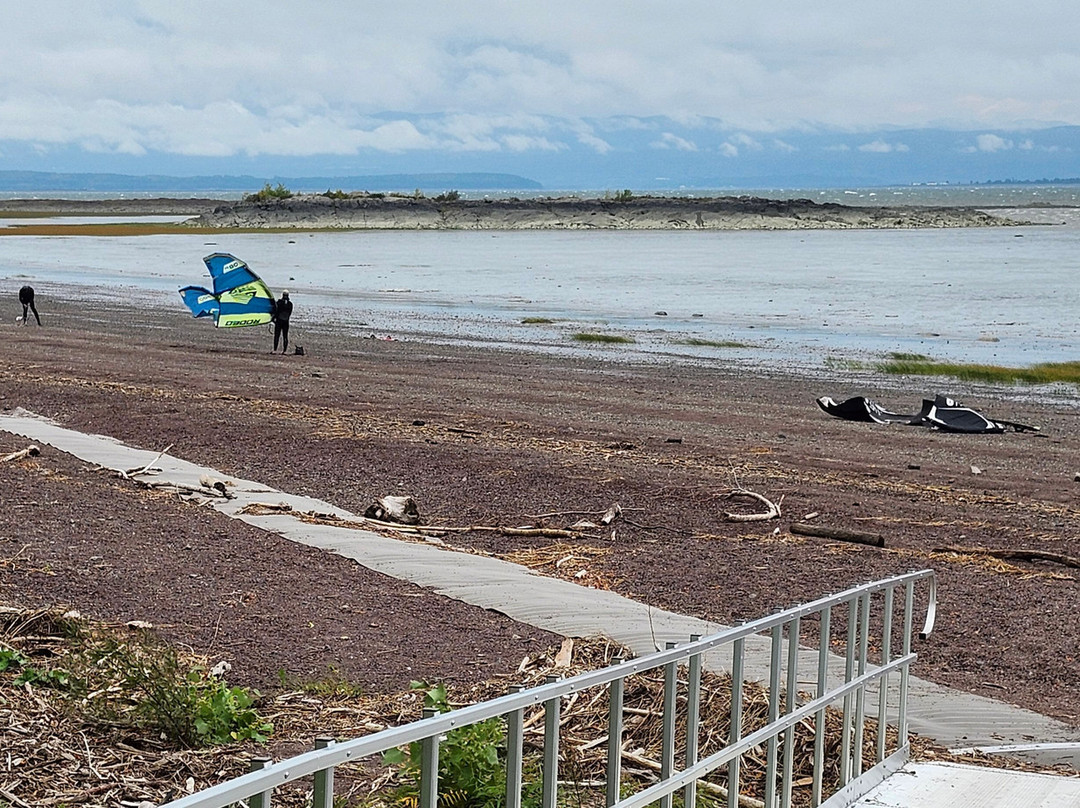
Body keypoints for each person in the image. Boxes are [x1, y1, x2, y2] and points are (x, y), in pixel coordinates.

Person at [272, 289, 292, 353]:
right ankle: (284, 351)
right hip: (286, 321)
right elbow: (289, 313)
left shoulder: (279, 303)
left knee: (277, 335)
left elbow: (276, 311)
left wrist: (273, 318)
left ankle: (275, 350)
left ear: (282, 295)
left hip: (279, 321)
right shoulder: (290, 304)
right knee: (285, 336)